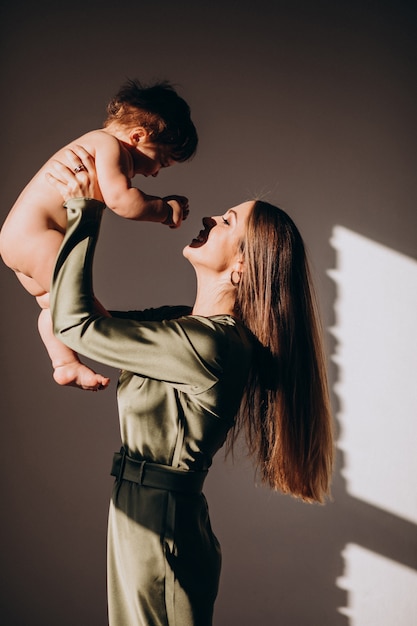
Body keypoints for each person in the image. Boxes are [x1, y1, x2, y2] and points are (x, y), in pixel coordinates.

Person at [47, 147, 333, 626]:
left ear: (242, 267)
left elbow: (76, 326)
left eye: (226, 222)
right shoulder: (181, 327)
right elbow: (76, 319)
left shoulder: (213, 345)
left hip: (161, 527)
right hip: (139, 513)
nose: (208, 217)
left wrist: (86, 211)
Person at [0, 79, 197, 390]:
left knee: (55, 305)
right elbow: (122, 201)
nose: (155, 173)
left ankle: (64, 363)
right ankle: (128, 348)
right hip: (37, 235)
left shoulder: (97, 143)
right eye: (161, 161)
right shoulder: (109, 146)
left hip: (21, 238)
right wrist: (164, 208)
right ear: (138, 136)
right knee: (80, 300)